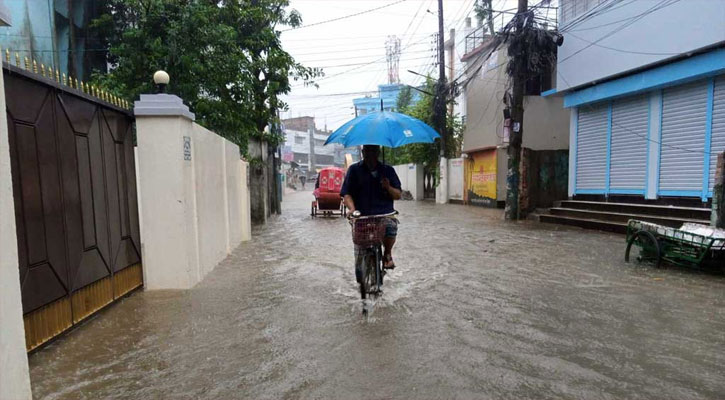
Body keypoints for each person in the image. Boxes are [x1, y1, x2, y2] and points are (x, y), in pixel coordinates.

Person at [341, 145, 402, 269]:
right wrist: (352, 209)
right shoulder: (354, 170)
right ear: (363, 152)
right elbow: (346, 194)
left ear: (378, 152)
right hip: (361, 215)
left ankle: (387, 254)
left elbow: (398, 195)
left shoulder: (388, 170)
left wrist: (388, 187)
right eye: (367, 150)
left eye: (373, 150)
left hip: (384, 213)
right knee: (359, 242)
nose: (370, 154)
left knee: (391, 228)